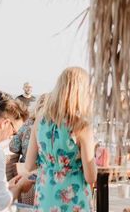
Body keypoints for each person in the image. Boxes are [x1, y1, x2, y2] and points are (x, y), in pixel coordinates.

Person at [23, 67, 96, 211]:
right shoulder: (81, 126)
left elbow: (29, 165)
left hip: (45, 196)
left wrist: (50, 162)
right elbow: (91, 177)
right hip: (74, 200)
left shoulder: (40, 121)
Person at [9, 94, 47, 162]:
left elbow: (13, 147)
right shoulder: (54, 126)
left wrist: (24, 148)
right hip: (44, 169)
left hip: (25, 167)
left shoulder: (29, 122)